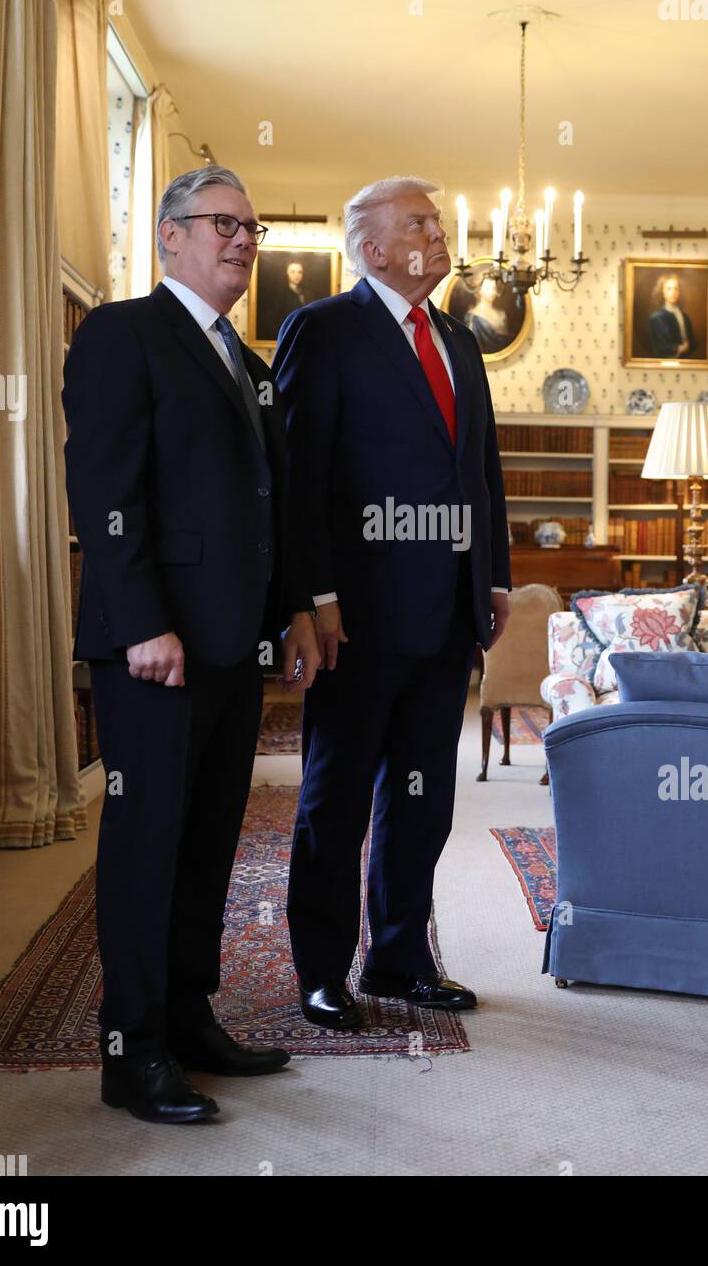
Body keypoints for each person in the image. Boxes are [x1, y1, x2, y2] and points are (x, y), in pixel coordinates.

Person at [62, 165, 320, 1124]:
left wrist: (290, 610)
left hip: (232, 644)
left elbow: (272, 509)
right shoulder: (122, 335)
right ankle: (130, 1053)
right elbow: (105, 489)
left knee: (211, 837)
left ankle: (186, 1015)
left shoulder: (249, 367)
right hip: (152, 648)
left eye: (253, 228)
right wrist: (137, 622)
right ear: (169, 235)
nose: (244, 240)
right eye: (224, 223)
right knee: (149, 842)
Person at [273, 175, 511, 1030]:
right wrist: (314, 595)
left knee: (421, 796)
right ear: (371, 248)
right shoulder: (322, 330)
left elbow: (481, 471)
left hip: (447, 613)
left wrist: (492, 576)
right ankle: (321, 972)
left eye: (437, 220)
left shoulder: (459, 338)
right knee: (334, 802)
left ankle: (401, 961)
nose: (438, 232)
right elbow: (298, 478)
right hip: (357, 615)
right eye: (418, 222)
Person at [647, 273, 696, 358]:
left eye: (676, 289)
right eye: (668, 289)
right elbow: (659, 347)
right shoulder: (656, 318)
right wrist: (679, 348)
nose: (673, 292)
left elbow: (692, 342)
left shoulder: (684, 316)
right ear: (662, 292)